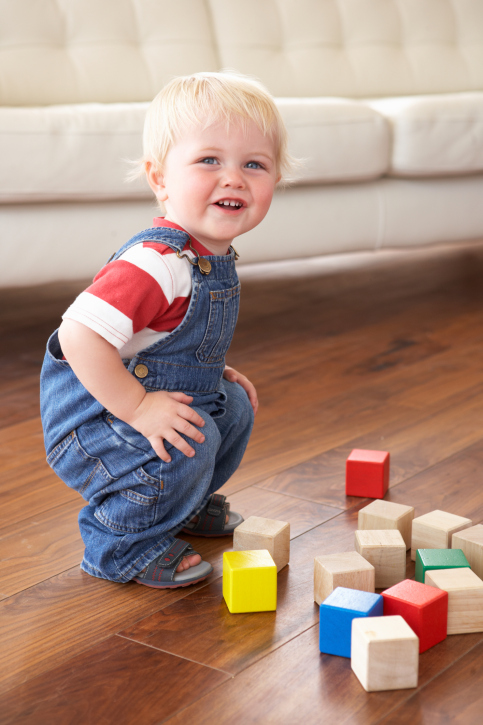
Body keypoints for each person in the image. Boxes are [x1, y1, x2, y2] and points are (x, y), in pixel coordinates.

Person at [40, 71, 293, 589]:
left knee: (233, 405)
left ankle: (180, 507)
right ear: (160, 179)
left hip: (135, 394)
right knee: (189, 445)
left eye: (254, 164)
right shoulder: (156, 262)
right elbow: (78, 337)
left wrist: (208, 368)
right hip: (93, 423)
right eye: (209, 160)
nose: (234, 178)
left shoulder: (210, 255)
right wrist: (137, 407)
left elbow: (162, 339)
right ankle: (120, 544)